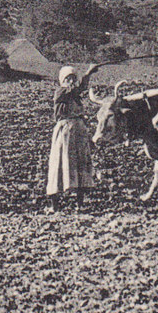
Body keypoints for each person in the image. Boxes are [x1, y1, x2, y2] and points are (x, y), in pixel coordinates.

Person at [46, 63, 100, 210]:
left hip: (79, 130)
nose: (71, 81)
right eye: (68, 78)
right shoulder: (61, 92)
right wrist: (88, 73)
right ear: (62, 80)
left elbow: (78, 90)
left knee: (81, 163)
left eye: (73, 78)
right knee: (61, 163)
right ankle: (54, 204)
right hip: (65, 131)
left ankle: (80, 203)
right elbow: (79, 89)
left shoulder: (74, 95)